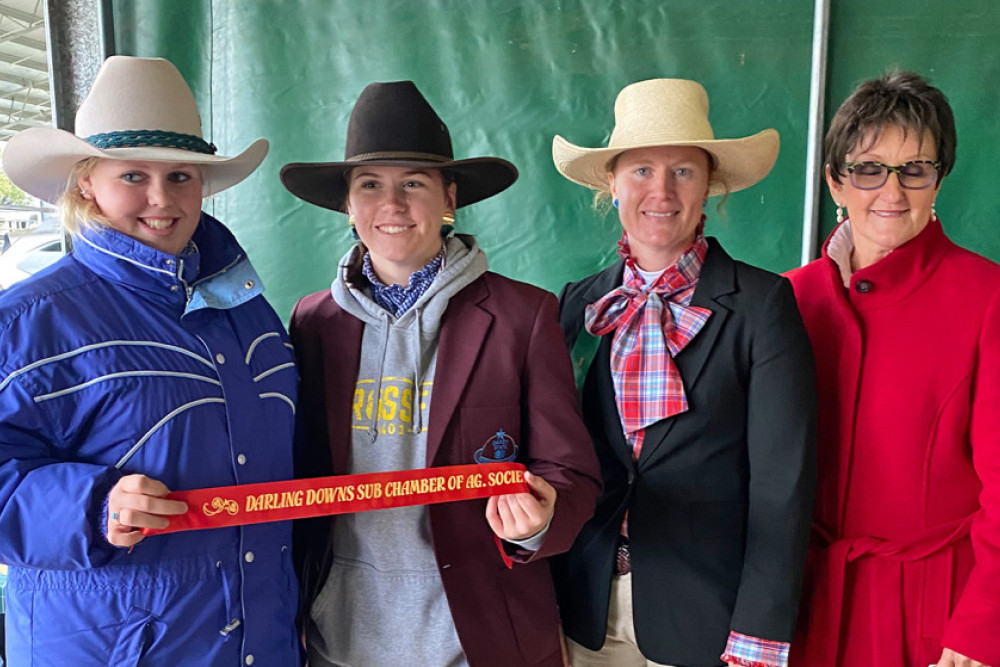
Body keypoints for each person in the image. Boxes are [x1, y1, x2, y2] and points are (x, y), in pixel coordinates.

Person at [280, 80, 602, 667]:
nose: (393, 205)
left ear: (449, 197)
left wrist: (540, 518)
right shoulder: (311, 322)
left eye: (415, 184)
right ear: (348, 207)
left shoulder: (522, 316)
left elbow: (571, 471)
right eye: (371, 186)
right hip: (338, 636)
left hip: (477, 636)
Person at [0, 56, 301, 665]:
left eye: (182, 176)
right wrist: (93, 507)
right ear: (87, 181)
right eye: (133, 175)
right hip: (108, 645)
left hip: (261, 642)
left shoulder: (253, 316)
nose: (161, 199)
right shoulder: (27, 322)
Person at [549, 78, 817, 667]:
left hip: (708, 618)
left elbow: (784, 484)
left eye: (683, 171)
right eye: (641, 171)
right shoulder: (577, 304)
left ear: (709, 186)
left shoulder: (762, 305)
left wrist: (757, 637)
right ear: (612, 185)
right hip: (584, 608)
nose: (661, 191)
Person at [787, 71, 1000, 667]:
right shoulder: (788, 300)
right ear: (836, 180)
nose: (893, 190)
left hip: (937, 617)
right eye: (868, 168)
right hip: (803, 606)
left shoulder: (988, 298)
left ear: (940, 180)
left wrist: (983, 627)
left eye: (916, 169)